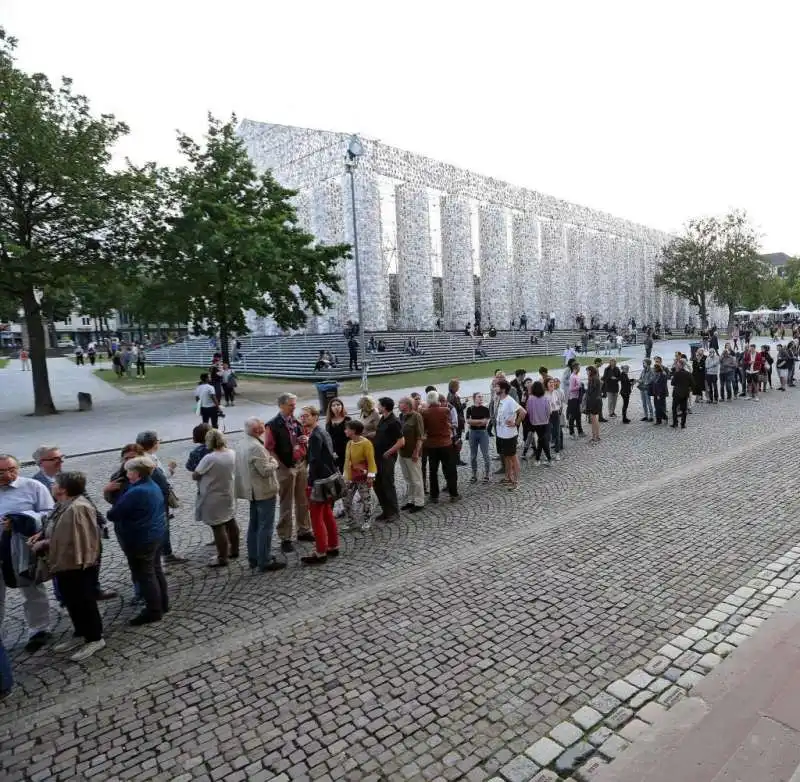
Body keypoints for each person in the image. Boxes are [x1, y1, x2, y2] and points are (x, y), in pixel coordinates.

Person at [30, 471, 105, 661]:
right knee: (71, 601)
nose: (52, 486)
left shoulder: (77, 508)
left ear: (63, 489)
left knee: (84, 602)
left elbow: (76, 539)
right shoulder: (63, 504)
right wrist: (41, 535)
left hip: (78, 565)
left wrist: (45, 544)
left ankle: (95, 638)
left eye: (55, 483)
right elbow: (55, 527)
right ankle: (80, 632)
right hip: (64, 565)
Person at [30, 445, 116, 601]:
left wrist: (99, 520)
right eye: (55, 459)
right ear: (41, 462)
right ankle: (64, 596)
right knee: (62, 563)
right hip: (60, 533)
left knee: (93, 558)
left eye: (62, 457)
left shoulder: (67, 476)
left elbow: (86, 498)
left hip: (86, 528)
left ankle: (93, 590)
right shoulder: (35, 484)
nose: (60, 461)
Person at [106, 456, 169, 626]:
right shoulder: (152, 485)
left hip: (140, 538)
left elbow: (113, 514)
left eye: (128, 471)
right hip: (155, 534)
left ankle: (153, 610)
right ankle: (163, 603)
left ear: (136, 473)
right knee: (156, 570)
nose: (126, 474)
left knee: (145, 575)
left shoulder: (136, 491)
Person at [0, 454, 54, 651]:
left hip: (22, 549)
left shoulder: (33, 487)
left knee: (32, 589)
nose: (8, 475)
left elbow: (49, 513)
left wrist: (21, 519)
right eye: (2, 472)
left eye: (12, 469)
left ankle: (39, 630)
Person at [266, 393, 314, 552]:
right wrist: (281, 466)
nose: (294, 407)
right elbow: (270, 448)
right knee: (286, 503)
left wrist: (304, 443)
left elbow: (304, 437)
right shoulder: (273, 425)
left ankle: (304, 530)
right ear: (281, 405)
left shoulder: (296, 422)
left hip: (300, 464)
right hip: (286, 467)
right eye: (291, 405)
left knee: (302, 500)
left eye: (294, 404)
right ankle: (285, 537)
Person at [235, 418, 284, 573]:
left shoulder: (242, 443)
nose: (264, 428)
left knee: (254, 525)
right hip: (263, 491)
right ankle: (264, 559)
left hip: (252, 490)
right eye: (262, 426)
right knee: (265, 527)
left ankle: (254, 557)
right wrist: (274, 462)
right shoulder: (255, 447)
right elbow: (265, 471)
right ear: (257, 430)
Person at [136, 430, 184, 564]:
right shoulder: (148, 460)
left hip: (156, 497)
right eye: (158, 441)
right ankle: (166, 554)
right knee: (163, 524)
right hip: (158, 498)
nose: (159, 443)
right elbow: (160, 478)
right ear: (154, 444)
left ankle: (165, 552)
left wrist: (170, 470)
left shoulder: (150, 456)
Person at [300, 405, 340, 565]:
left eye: (306, 416)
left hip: (318, 481)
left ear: (315, 417)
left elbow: (315, 462)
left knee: (316, 518)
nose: (303, 418)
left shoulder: (316, 435)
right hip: (329, 478)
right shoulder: (322, 432)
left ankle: (320, 551)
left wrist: (310, 483)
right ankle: (333, 545)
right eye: (302, 416)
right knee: (327, 514)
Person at [193, 430, 238, 567]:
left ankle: (222, 557)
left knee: (217, 526)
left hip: (212, 495)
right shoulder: (232, 453)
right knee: (230, 521)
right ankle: (234, 550)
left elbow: (196, 474)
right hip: (228, 491)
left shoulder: (210, 458)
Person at [422, 391, 460, 501]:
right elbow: (448, 424)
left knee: (433, 470)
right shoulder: (445, 410)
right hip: (445, 443)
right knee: (450, 469)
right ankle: (454, 494)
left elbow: (425, 428)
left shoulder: (425, 412)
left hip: (432, 444)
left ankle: (434, 495)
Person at [341, 420, 376, 531]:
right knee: (346, 499)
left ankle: (367, 520)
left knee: (366, 499)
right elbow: (347, 461)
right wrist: (345, 476)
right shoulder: (349, 443)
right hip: (351, 477)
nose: (345, 431)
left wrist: (370, 476)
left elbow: (371, 460)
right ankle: (350, 521)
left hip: (363, 477)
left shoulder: (366, 443)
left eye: (347, 429)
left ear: (353, 431)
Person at [373, 398, 404, 522]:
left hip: (387, 458)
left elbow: (401, 441)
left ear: (384, 407)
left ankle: (394, 512)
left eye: (379, 405)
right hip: (377, 457)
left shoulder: (394, 422)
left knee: (387, 484)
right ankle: (386, 510)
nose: (377, 407)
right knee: (378, 484)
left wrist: (389, 452)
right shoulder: (383, 419)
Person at [494, 380, 524, 489]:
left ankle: (516, 481)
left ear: (503, 389)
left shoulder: (509, 401)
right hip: (501, 434)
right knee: (506, 457)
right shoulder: (499, 399)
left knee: (513, 458)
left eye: (497, 386)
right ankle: (508, 478)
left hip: (509, 435)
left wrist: (516, 423)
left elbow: (523, 412)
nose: (495, 388)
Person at [397, 396, 426, 509]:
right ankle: (411, 500)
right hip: (403, 453)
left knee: (416, 478)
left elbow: (420, 436)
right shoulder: (401, 416)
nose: (398, 405)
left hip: (413, 453)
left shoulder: (416, 416)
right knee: (408, 478)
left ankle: (419, 502)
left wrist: (416, 451)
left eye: (400, 403)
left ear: (407, 405)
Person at [526, 381, 552, 466]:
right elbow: (548, 411)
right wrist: (547, 418)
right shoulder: (545, 398)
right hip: (545, 422)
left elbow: (529, 411)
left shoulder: (530, 399)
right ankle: (546, 459)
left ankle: (541, 459)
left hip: (535, 423)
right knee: (542, 440)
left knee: (541, 440)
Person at [466, 392, 491, 482]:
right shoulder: (470, 409)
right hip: (473, 433)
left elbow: (485, 422)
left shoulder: (485, 409)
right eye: (479, 397)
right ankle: (474, 474)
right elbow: (468, 421)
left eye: (482, 397)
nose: (481, 398)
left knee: (486, 455)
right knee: (473, 456)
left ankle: (487, 475)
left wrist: (474, 421)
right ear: (474, 398)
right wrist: (480, 421)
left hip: (483, 433)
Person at [325, 398, 351, 474]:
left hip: (346, 449)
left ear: (342, 406)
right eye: (333, 405)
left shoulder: (347, 419)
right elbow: (328, 437)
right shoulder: (329, 421)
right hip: (334, 451)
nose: (336, 407)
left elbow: (351, 436)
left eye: (338, 405)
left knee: (346, 471)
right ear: (330, 408)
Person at [670, 360, 693, 429]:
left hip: (677, 394)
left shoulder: (676, 374)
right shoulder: (688, 373)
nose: (676, 366)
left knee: (674, 409)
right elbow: (692, 383)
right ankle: (683, 424)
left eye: (678, 364)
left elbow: (672, 383)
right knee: (684, 409)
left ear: (681, 365)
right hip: (684, 394)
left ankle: (675, 423)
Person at [584, 365, 603, 443]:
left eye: (587, 371)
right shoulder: (595, 378)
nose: (587, 372)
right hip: (596, 401)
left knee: (593, 420)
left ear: (591, 371)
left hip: (593, 402)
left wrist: (585, 389)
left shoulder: (593, 379)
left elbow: (591, 392)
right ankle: (596, 436)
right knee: (595, 419)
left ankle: (595, 437)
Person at [567, 362, 584, 437]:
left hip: (577, 398)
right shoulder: (572, 377)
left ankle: (580, 431)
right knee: (573, 416)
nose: (580, 369)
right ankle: (571, 432)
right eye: (579, 367)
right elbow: (571, 389)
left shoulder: (577, 376)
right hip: (573, 399)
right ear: (575, 368)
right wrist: (579, 387)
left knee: (578, 415)